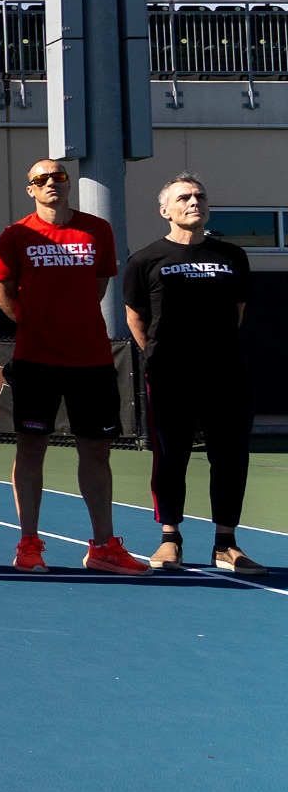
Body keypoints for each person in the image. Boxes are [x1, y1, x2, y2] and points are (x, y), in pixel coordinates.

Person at [0, 159, 147, 576]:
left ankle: (103, 548)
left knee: (96, 451)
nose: (51, 183)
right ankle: (28, 545)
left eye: (58, 176)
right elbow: (0, 292)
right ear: (30, 189)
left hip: (90, 360)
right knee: (31, 448)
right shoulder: (15, 235)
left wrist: (70, 323)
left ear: (68, 183)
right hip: (35, 360)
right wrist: (36, 325)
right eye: (41, 179)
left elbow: (98, 285)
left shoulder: (97, 230)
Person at [123, 174, 265, 576]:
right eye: (183, 197)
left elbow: (237, 311)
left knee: (230, 458)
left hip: (226, 374)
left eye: (200, 196)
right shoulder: (146, 259)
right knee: (170, 458)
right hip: (170, 376)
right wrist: (160, 356)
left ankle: (226, 544)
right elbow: (135, 317)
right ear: (165, 210)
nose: (193, 202)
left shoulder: (232, 256)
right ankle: (170, 538)